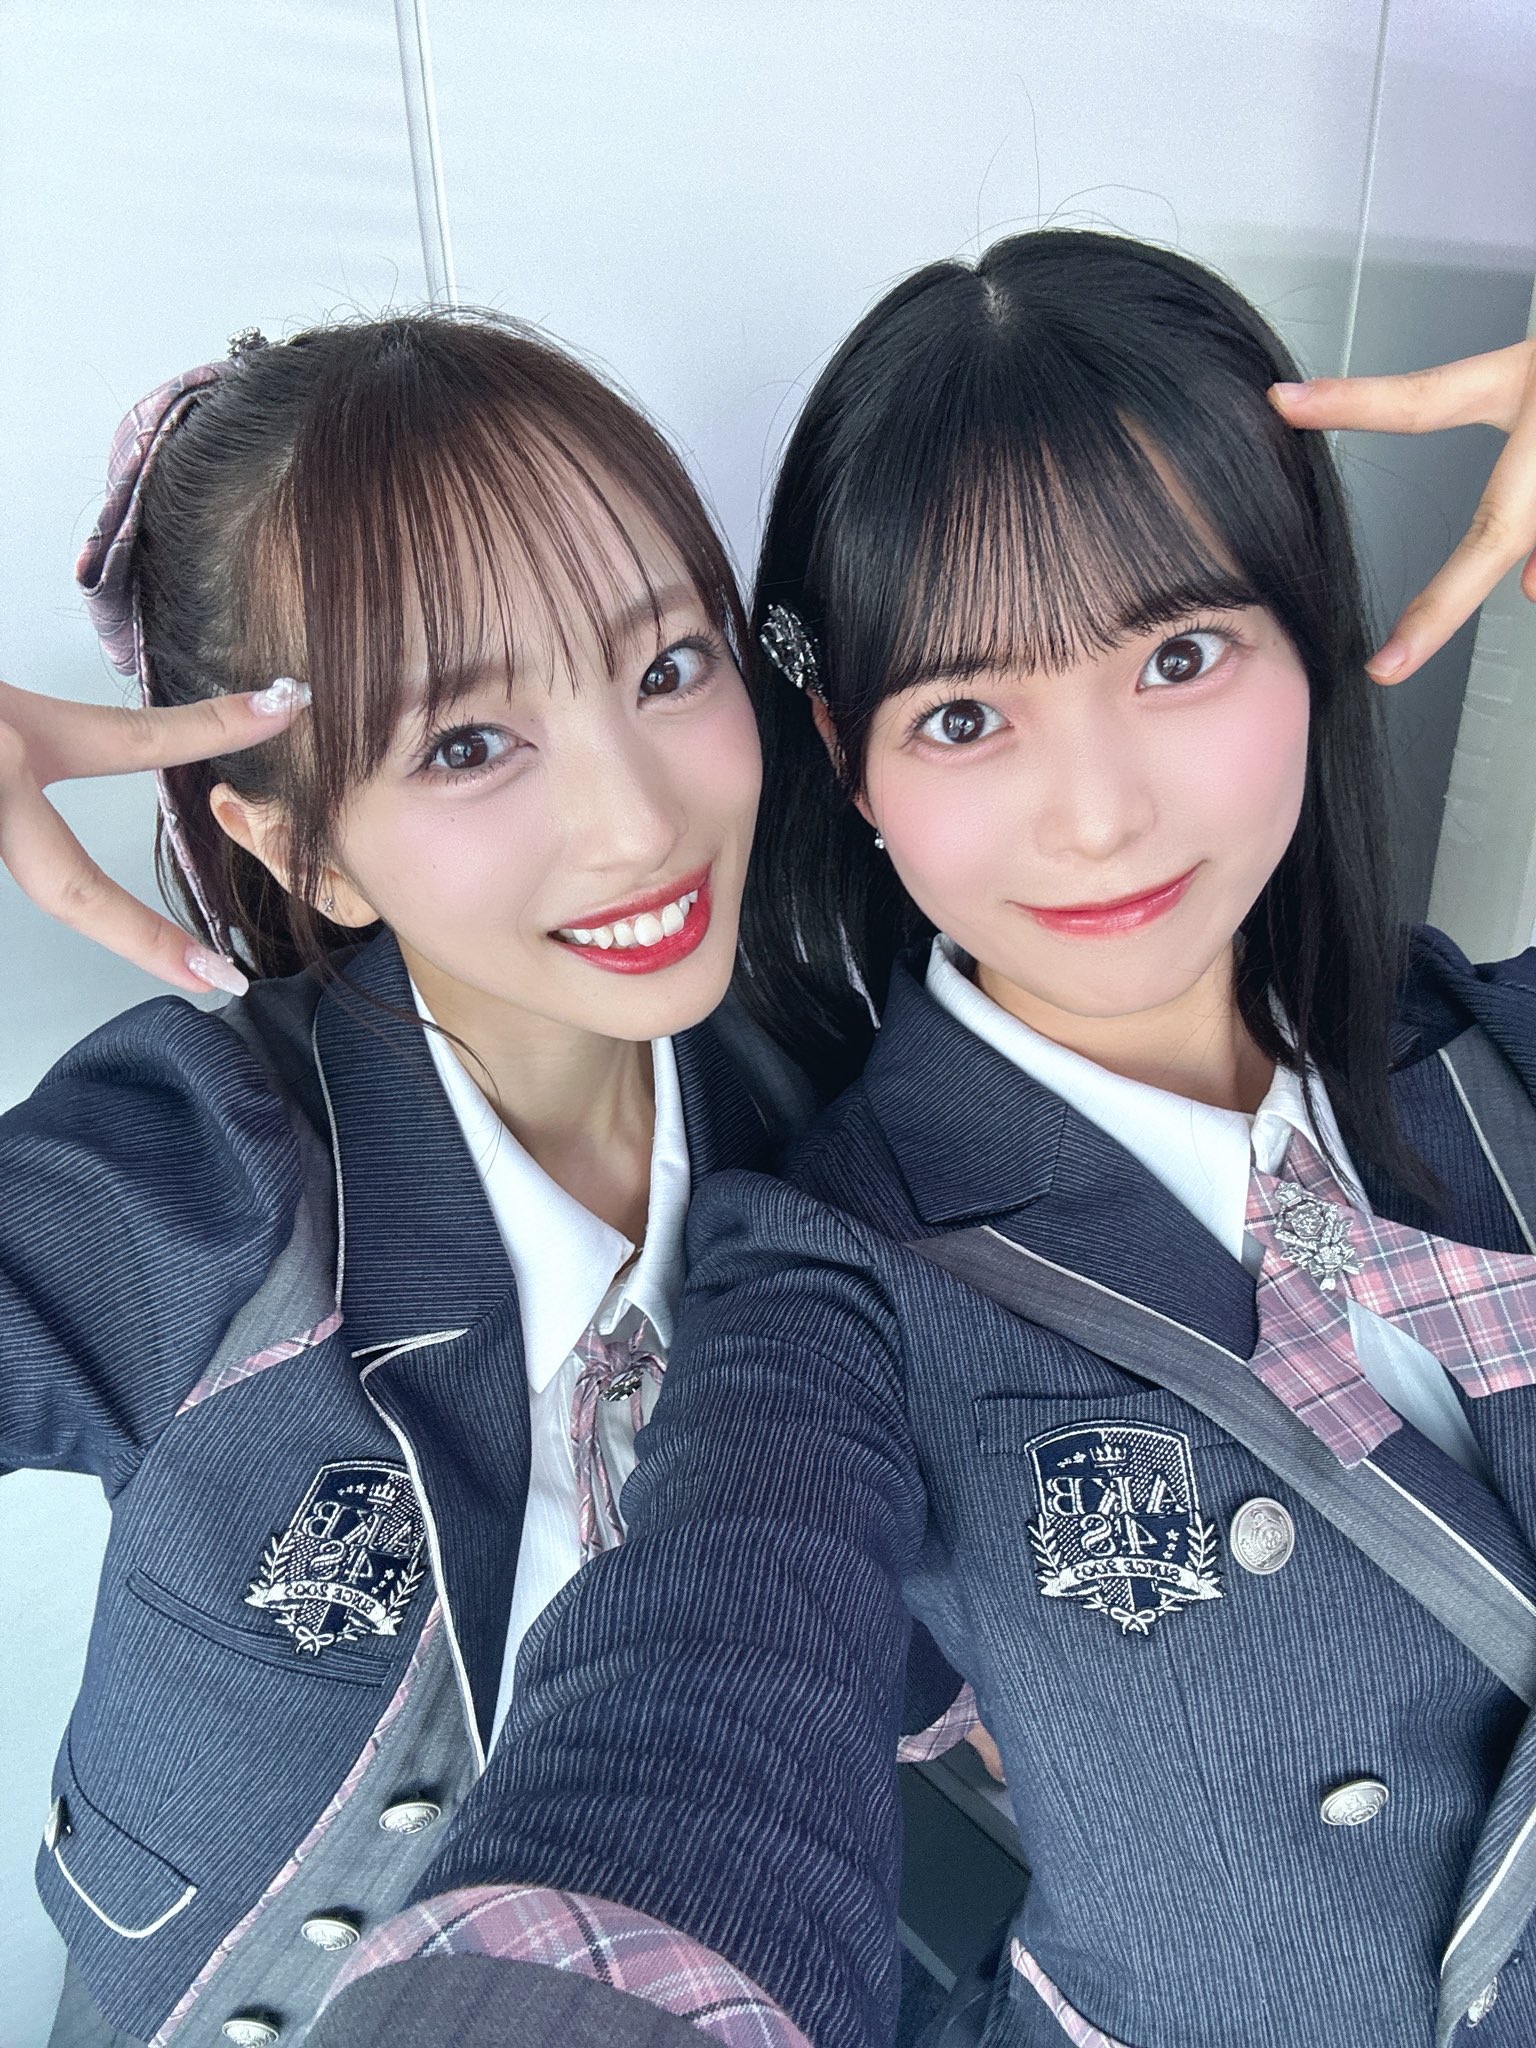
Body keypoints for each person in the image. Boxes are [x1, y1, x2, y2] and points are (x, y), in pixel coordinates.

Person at [301, 235, 1536, 2048]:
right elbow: (706, 1689)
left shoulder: (1496, 1053)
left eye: (1181, 655)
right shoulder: (835, 1273)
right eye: (965, 716)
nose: (1098, 815)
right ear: (846, 751)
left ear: (1311, 633)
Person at [2, 310, 822, 2048]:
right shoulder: (201, 1168)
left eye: (669, 667)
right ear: (299, 845)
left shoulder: (815, 1124)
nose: (638, 823)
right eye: (465, 745)